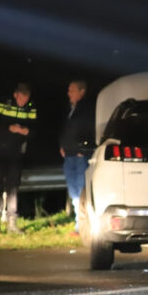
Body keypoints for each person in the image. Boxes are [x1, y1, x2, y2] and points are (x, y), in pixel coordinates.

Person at [0, 83, 37, 233]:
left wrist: (27, 131)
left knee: (13, 187)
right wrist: (9, 129)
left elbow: (35, 129)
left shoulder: (30, 107)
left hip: (16, 153)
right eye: (21, 99)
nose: (23, 103)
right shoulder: (3, 103)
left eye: (26, 99)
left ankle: (11, 223)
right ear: (15, 95)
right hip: (0, 151)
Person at [60, 80, 95, 232]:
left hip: (81, 156)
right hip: (69, 154)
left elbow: (91, 130)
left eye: (72, 90)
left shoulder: (87, 108)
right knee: (73, 190)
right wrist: (62, 145)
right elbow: (65, 129)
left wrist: (84, 148)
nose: (69, 93)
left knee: (81, 189)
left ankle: (83, 223)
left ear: (81, 92)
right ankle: (79, 222)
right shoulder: (70, 109)